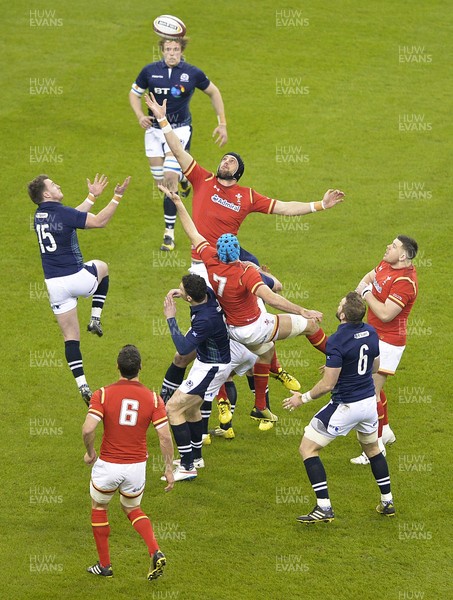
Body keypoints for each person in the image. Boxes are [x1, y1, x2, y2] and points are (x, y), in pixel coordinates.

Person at [145, 92, 344, 396]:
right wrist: (161, 117)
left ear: (237, 171)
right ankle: (233, 387)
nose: (225, 160)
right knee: (196, 345)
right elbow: (176, 147)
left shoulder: (246, 196)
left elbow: (285, 207)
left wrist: (320, 205)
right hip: (202, 266)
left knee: (267, 296)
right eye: (224, 158)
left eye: (231, 160)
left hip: (225, 266)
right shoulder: (201, 178)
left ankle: (264, 379)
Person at [162, 185, 325, 428]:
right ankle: (337, 358)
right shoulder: (246, 272)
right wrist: (302, 310)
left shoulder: (210, 261)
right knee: (309, 326)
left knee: (264, 352)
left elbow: (193, 232)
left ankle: (258, 407)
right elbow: (271, 298)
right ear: (238, 252)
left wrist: (178, 203)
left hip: (233, 330)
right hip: (255, 326)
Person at [282, 292, 395, 523]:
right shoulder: (372, 332)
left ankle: (324, 507)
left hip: (346, 406)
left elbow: (327, 385)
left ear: (342, 314)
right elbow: (374, 367)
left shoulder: (336, 341)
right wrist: (342, 365)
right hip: (368, 404)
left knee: (307, 449)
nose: (338, 305)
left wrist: (300, 399)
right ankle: (387, 502)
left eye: (339, 304)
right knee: (373, 450)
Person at [28, 173, 131, 405]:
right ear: (46, 194)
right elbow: (98, 222)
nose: (58, 184)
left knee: (70, 338)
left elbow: (72, 218)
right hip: (76, 278)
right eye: (54, 184)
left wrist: (92, 197)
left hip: (54, 286)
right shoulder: (62, 214)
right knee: (102, 267)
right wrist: (116, 197)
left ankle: (82, 384)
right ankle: (95, 318)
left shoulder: (40, 215)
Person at [82, 345, 174, 580]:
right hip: (136, 468)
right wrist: (168, 468)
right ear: (140, 368)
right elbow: (164, 436)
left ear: (117, 367)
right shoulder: (153, 399)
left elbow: (88, 429)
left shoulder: (102, 394)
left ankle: (105, 566)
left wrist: (90, 452)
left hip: (108, 465)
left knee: (100, 507)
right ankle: (155, 550)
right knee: (132, 508)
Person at [129, 36, 228, 251]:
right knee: (160, 182)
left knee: (169, 178)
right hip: (154, 131)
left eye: (175, 49)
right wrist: (139, 116)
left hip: (179, 129)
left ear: (181, 50)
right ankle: (186, 178)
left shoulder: (192, 73)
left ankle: (169, 234)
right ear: (162, 51)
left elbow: (214, 91)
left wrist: (222, 123)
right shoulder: (149, 71)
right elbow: (134, 94)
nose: (172, 53)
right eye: (168, 49)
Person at [162, 274, 256, 480]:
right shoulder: (209, 296)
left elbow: (184, 347)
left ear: (189, 298)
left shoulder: (205, 320)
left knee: (173, 409)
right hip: (208, 363)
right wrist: (182, 293)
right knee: (192, 409)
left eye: (182, 289)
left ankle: (187, 466)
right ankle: (195, 458)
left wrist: (170, 317)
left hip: (211, 368)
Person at [351, 235, 419, 465]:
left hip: (389, 342)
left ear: (403, 255)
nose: (388, 246)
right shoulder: (386, 263)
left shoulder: (405, 283)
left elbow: (385, 314)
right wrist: (356, 294)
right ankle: (386, 431)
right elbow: (370, 276)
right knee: (374, 389)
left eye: (393, 246)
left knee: (369, 393)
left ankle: (376, 448)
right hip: (374, 336)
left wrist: (366, 294)